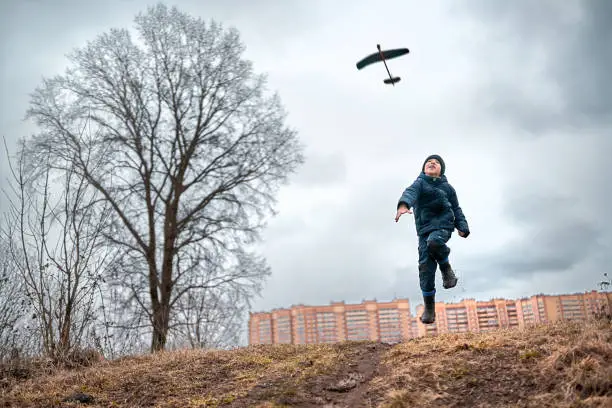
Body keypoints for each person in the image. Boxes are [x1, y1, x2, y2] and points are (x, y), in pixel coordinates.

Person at [394, 154, 470, 324]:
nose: (432, 163)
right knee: (425, 269)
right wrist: (404, 205)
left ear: (441, 170)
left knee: (435, 242)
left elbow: (456, 209)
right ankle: (429, 309)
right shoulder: (420, 183)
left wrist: (462, 227)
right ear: (424, 169)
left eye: (436, 162)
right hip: (423, 232)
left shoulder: (448, 188)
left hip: (443, 226)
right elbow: (410, 192)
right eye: (429, 162)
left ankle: (446, 269)